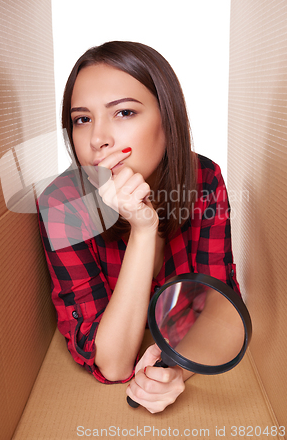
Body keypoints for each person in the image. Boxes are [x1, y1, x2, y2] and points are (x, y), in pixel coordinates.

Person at [37, 41, 240, 414]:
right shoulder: (62, 203)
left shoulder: (204, 179)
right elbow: (112, 363)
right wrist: (145, 230)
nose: (98, 138)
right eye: (82, 119)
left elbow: (219, 304)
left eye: (124, 112)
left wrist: (176, 367)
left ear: (168, 119)